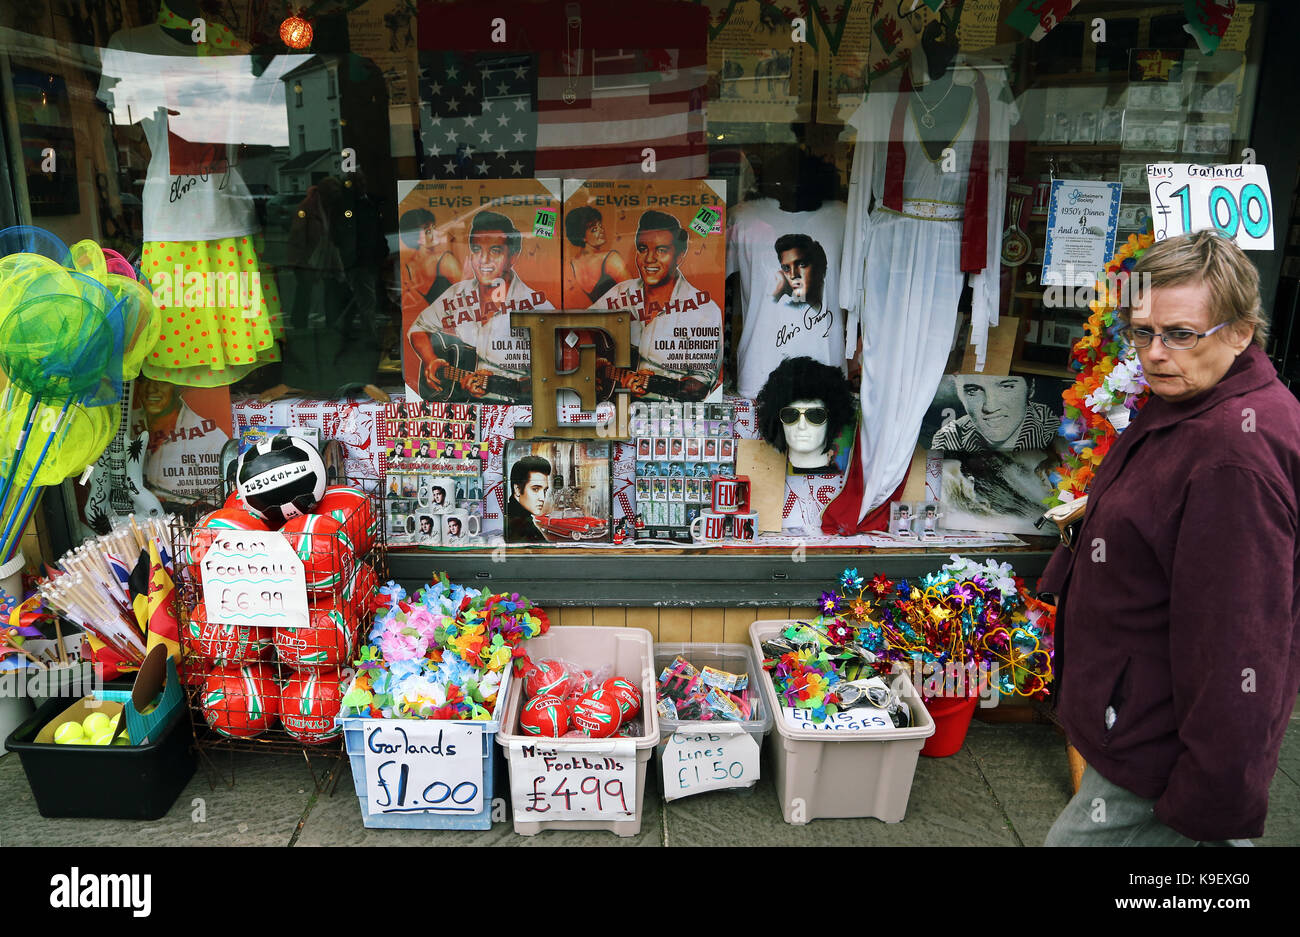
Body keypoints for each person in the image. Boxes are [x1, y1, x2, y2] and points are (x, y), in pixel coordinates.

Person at [1040, 231, 1300, 846]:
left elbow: (1242, 645)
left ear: (1241, 331)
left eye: (1180, 333)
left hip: (1161, 759)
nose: (1154, 354)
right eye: (1142, 331)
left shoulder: (1232, 454)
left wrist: (1210, 802)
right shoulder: (1197, 395)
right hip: (1139, 727)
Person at [408, 210, 552, 403]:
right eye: (476, 250)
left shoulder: (536, 305)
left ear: (513, 257)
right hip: (465, 404)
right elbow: (419, 328)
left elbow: (557, 371)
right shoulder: (458, 293)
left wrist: (498, 383)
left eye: (495, 251)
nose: (483, 260)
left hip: (517, 407)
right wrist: (431, 359)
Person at [592, 211, 722, 401]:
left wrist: (651, 383)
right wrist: (598, 366)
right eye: (643, 248)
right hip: (614, 407)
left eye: (661, 250)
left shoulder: (704, 311)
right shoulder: (619, 293)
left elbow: (699, 387)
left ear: (679, 256)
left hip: (669, 418)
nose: (649, 258)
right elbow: (577, 333)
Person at [930, 375, 1059, 452]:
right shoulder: (948, 437)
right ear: (960, 394)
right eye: (973, 390)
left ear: (1030, 389)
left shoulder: (1055, 431)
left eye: (1006, 387)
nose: (990, 407)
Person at [563, 205, 632, 306]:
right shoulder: (611, 259)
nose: (602, 230)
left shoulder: (571, 265)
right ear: (582, 237)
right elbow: (634, 295)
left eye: (600, 225)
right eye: (594, 229)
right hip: (617, 318)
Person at [399, 208, 461, 321]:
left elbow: (468, 296)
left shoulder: (446, 261)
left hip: (454, 325)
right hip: (431, 328)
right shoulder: (408, 268)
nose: (435, 233)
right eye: (428, 231)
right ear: (414, 237)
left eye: (434, 227)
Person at [505, 454, 551, 543]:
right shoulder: (516, 525)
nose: (542, 498)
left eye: (544, 491)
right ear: (517, 490)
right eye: (535, 489)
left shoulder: (522, 520)